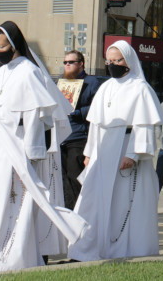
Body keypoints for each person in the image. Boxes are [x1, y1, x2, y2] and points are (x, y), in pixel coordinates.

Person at [0, 22, 86, 274]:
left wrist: (32, 157)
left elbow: (35, 119)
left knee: (18, 208)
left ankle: (13, 257)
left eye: (1, 46)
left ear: (14, 45)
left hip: (18, 153)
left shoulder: (29, 72)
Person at [68, 40, 163, 261]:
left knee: (123, 203)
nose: (112, 65)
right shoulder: (106, 87)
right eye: (109, 61)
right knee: (93, 201)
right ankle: (88, 250)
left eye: (117, 60)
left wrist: (132, 154)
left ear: (128, 61)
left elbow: (144, 125)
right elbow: (95, 124)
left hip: (125, 150)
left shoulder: (141, 88)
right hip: (103, 150)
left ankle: (125, 250)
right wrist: (89, 152)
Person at [60, 50, 103, 209]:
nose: (67, 65)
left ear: (80, 64)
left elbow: (97, 108)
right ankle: (69, 209)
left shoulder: (91, 82)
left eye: (71, 62)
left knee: (75, 175)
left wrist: (78, 112)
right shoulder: (62, 82)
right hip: (63, 135)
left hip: (79, 136)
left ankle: (82, 209)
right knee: (64, 178)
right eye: (65, 62)